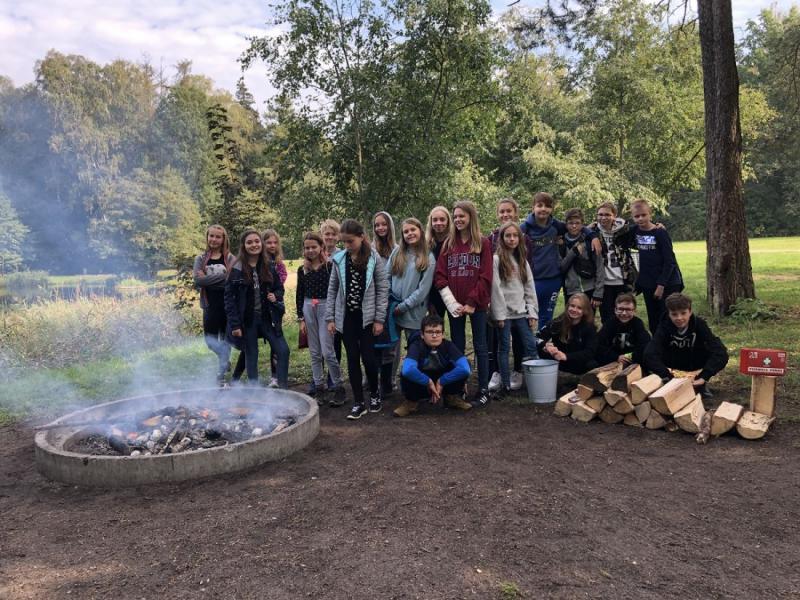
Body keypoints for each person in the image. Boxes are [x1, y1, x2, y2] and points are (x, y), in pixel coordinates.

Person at [326, 219, 389, 420]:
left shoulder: (373, 258)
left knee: (368, 358)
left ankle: (374, 393)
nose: (347, 245)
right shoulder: (340, 259)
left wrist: (380, 318)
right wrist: (330, 317)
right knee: (352, 358)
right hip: (347, 318)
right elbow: (332, 289)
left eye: (350, 241)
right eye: (343, 242)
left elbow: (383, 288)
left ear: (361, 237)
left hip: (368, 318)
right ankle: (359, 402)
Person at [434, 200, 493, 407]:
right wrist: (453, 303)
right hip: (455, 305)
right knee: (457, 347)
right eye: (456, 216)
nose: (458, 219)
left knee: (480, 345)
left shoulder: (483, 243)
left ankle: (483, 388)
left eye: (462, 216)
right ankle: (459, 387)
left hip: (477, 304)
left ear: (471, 217)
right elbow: (440, 276)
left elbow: (486, 277)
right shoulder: (448, 244)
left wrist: (471, 302)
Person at [521, 192, 599, 330]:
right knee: (529, 316)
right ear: (533, 207)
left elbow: (577, 226)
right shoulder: (525, 228)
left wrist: (593, 236)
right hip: (533, 279)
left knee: (546, 316)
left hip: (553, 279)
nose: (543, 209)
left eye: (548, 206)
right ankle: (527, 347)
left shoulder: (556, 225)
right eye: (540, 205)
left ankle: (542, 344)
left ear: (552, 209)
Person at [224, 229, 290, 387]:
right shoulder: (237, 269)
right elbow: (229, 299)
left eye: (256, 241)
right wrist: (235, 325)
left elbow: (279, 288)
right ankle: (255, 393)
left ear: (261, 243)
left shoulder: (269, 265)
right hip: (247, 320)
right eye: (249, 242)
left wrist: (276, 295)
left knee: (283, 350)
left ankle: (283, 389)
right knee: (251, 355)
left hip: (268, 318)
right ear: (243, 246)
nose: (254, 245)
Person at [487, 198, 536, 393]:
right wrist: (499, 315)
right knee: (503, 348)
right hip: (504, 315)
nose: (512, 239)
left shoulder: (522, 260)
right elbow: (495, 289)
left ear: (520, 238)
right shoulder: (497, 259)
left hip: (522, 313)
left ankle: (534, 381)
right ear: (502, 238)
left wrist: (532, 311)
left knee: (530, 346)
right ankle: (505, 383)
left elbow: (529, 286)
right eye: (508, 236)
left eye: (515, 236)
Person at [644, 293, 728, 402]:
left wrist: (704, 376)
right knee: (648, 353)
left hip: (695, 367)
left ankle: (700, 385)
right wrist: (667, 375)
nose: (679, 318)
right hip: (672, 369)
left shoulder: (699, 325)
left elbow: (720, 352)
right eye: (674, 314)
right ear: (669, 314)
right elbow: (649, 353)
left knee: (717, 351)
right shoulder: (663, 326)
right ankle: (667, 383)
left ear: (690, 311)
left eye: (683, 313)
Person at [296, 231, 345, 405]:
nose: (310, 250)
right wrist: (300, 317)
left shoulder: (330, 267)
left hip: (326, 308)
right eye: (307, 247)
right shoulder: (303, 270)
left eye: (314, 247)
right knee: (315, 352)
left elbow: (336, 292)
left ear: (321, 247)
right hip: (309, 307)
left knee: (328, 351)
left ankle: (339, 387)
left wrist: (333, 315)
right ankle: (319, 387)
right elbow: (299, 294)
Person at [395, 315, 472, 417]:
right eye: (430, 332)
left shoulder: (448, 346)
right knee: (405, 373)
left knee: (465, 365)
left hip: (442, 379)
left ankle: (451, 397)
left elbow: (465, 369)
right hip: (423, 382)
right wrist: (428, 382)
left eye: (438, 332)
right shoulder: (416, 346)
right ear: (422, 335)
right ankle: (411, 402)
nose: (434, 335)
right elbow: (408, 370)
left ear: (443, 334)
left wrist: (442, 381)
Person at [388, 217, 436, 382]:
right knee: (391, 349)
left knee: (415, 348)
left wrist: (404, 306)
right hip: (393, 309)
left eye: (412, 230)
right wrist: (390, 300)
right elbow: (387, 276)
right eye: (406, 231)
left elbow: (423, 290)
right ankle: (390, 380)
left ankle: (416, 382)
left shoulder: (428, 257)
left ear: (420, 231)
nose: (410, 234)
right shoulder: (397, 252)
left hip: (414, 312)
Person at [630, 199, 684, 334]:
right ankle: (658, 350)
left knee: (669, 319)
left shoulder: (660, 233)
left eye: (644, 215)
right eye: (636, 216)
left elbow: (670, 261)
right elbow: (615, 227)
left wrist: (661, 285)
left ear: (650, 214)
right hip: (648, 282)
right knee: (654, 322)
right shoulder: (635, 231)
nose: (640, 218)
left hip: (668, 282)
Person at [193, 224, 236, 385]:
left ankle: (222, 372)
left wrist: (208, 280)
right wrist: (223, 278)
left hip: (227, 305)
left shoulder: (230, 258)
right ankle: (225, 358)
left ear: (223, 239)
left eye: (218, 237)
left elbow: (231, 281)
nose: (214, 239)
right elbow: (198, 280)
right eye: (211, 236)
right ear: (207, 237)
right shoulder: (200, 259)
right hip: (210, 305)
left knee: (225, 339)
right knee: (210, 340)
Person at [592, 202, 638, 325]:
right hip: (604, 282)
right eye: (600, 214)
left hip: (623, 280)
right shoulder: (593, 231)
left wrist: (656, 226)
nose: (603, 217)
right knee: (607, 318)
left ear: (614, 215)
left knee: (626, 316)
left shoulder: (625, 230)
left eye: (607, 214)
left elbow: (642, 230)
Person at [537, 293, 598, 375]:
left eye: (579, 308)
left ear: (585, 311)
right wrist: (546, 346)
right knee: (540, 350)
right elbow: (537, 337)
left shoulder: (589, 327)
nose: (574, 310)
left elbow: (590, 352)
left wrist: (566, 356)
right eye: (572, 306)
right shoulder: (558, 322)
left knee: (592, 364)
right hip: (557, 359)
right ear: (567, 306)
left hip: (576, 361)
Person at [372, 211, 398, 394]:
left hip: (392, 301)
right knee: (373, 341)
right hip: (373, 301)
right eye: (377, 225)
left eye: (384, 224)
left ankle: (390, 379)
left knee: (392, 344)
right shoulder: (370, 250)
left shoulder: (398, 249)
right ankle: (373, 377)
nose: (381, 228)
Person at [559, 208, 604, 308]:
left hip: (590, 289)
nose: (574, 226)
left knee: (588, 321)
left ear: (582, 224)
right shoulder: (561, 243)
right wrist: (573, 252)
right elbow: (561, 268)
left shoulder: (590, 241)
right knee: (572, 320)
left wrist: (598, 293)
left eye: (577, 223)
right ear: (566, 224)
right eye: (570, 223)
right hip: (570, 290)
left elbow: (600, 267)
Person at [596, 293, 651, 367]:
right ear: (615, 310)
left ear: (634, 311)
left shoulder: (638, 323)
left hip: (633, 359)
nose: (624, 313)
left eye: (628, 309)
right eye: (621, 309)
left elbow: (645, 343)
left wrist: (629, 357)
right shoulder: (610, 323)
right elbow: (599, 344)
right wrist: (616, 357)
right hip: (613, 359)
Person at [320, 219, 343, 387]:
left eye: (333, 234)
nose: (330, 237)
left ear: (338, 236)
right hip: (319, 303)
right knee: (320, 345)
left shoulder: (341, 255)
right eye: (327, 234)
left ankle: (333, 378)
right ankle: (319, 377)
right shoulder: (315, 253)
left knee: (335, 343)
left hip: (337, 303)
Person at [425, 206, 452, 321]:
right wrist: (429, 300)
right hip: (434, 294)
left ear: (448, 221)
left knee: (456, 331)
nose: (438, 223)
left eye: (442, 219)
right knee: (435, 328)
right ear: (430, 222)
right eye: (435, 220)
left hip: (452, 293)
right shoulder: (426, 245)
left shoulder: (454, 243)